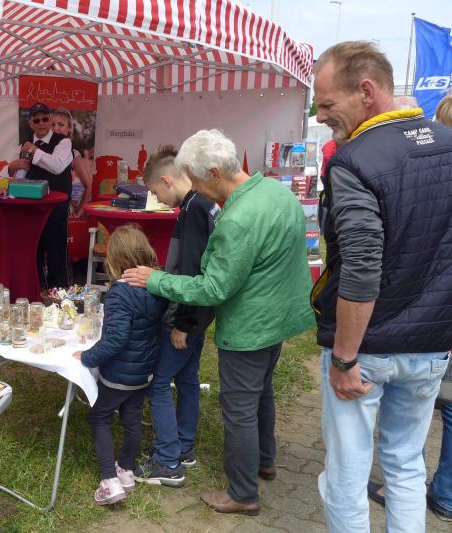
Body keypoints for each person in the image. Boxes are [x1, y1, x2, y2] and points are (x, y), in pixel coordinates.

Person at [122, 129, 315, 515]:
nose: (193, 188)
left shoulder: (237, 218)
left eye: (195, 180)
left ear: (214, 173)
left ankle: (242, 493)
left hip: (250, 327)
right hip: (278, 318)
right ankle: (265, 460)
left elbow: (213, 288)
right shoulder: (276, 192)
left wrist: (155, 279)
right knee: (261, 392)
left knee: (239, 408)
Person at [311, 41, 452, 532]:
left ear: (366, 91)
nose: (320, 116)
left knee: (348, 472)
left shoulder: (355, 159)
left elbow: (360, 266)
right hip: (431, 344)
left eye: (327, 104)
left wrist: (344, 358)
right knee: (406, 463)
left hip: (366, 348)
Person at [366, 84, 452, 524]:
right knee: (448, 411)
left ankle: (423, 488)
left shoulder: (431, 168)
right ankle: (448, 494)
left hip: (425, 324)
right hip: (437, 324)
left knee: (407, 433)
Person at [134, 145, 217, 487]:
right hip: (200, 315)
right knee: (186, 379)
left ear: (167, 180)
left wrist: (183, 324)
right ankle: (183, 446)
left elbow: (194, 271)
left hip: (187, 316)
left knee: (158, 384)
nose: (157, 199)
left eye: (155, 192)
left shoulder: (193, 209)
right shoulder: (202, 203)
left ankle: (168, 461)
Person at [72, 225, 168, 505]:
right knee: (132, 418)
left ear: (113, 259)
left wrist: (88, 357)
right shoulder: (156, 288)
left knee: (99, 417)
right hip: (144, 371)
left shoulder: (118, 294)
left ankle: (109, 480)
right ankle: (126, 470)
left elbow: (116, 339)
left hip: (118, 374)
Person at [8, 102, 73, 288]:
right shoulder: (24, 144)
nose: (42, 123)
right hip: (31, 207)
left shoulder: (63, 142)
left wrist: (33, 150)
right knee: (33, 251)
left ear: (50, 119)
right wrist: (13, 168)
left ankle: (58, 294)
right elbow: (18, 175)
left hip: (56, 208)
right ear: (30, 123)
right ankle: (33, 291)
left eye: (45, 118)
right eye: (37, 120)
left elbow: (56, 166)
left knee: (56, 251)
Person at [50, 108, 94, 217]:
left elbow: (88, 186)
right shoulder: (42, 150)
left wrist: (77, 213)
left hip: (60, 213)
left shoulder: (73, 154)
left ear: (69, 128)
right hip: (40, 211)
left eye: (61, 125)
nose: (56, 128)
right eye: (53, 124)